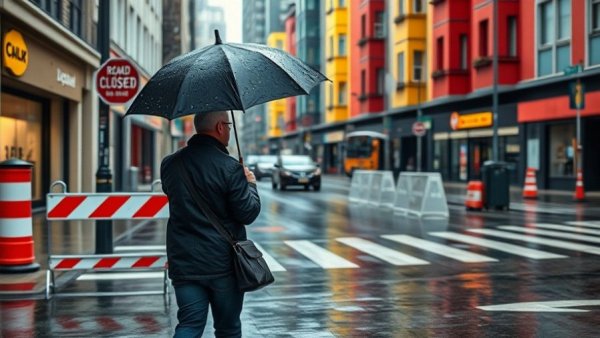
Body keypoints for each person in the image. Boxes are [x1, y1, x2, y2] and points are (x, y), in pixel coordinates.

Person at [160, 110, 261, 337]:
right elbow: (248, 213)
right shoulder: (230, 168)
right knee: (228, 328)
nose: (229, 131)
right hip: (223, 265)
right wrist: (250, 185)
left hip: (184, 262)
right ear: (219, 127)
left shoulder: (169, 164)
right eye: (228, 125)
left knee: (188, 325)